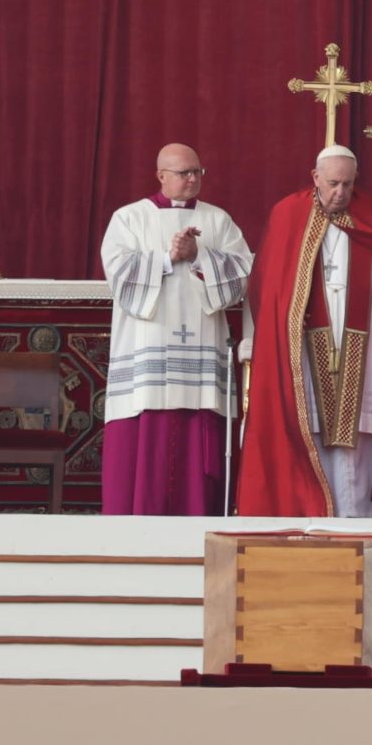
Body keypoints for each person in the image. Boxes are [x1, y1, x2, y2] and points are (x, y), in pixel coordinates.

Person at [237, 145, 372, 517]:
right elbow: (269, 287)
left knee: (357, 432)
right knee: (310, 424)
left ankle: (357, 515)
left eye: (348, 184)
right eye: (333, 184)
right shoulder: (288, 213)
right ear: (315, 178)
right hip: (306, 345)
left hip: (360, 338)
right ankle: (312, 511)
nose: (340, 192)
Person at [99, 143, 254, 515]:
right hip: (147, 364)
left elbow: (243, 275)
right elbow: (118, 273)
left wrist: (198, 255)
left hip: (201, 365)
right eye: (184, 173)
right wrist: (168, 258)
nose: (192, 179)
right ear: (161, 176)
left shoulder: (218, 220)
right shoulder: (129, 218)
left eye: (197, 172)